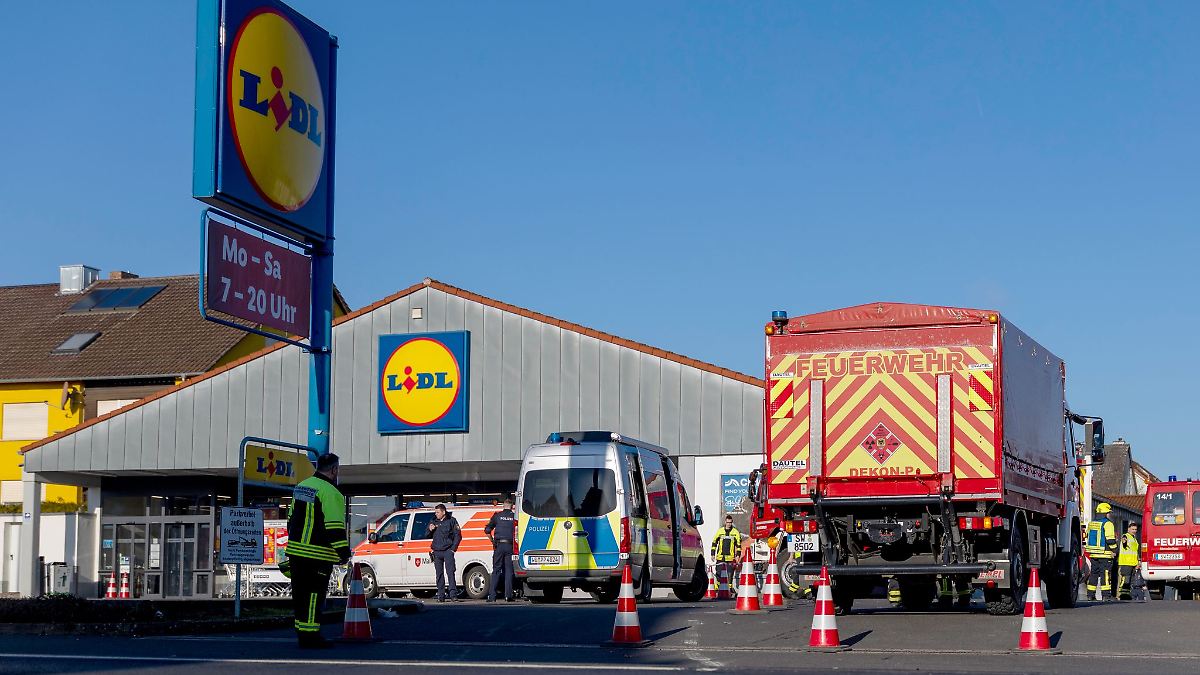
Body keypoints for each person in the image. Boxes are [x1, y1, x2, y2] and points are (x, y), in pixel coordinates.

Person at [279, 453, 349, 649]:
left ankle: (302, 634)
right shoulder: (331, 492)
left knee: (300, 596)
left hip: (296, 551)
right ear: (334, 470)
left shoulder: (302, 486)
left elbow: (291, 519)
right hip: (317, 554)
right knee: (313, 597)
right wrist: (343, 553)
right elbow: (334, 527)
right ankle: (311, 636)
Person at [485, 496, 517, 602]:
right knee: (509, 571)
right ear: (512, 507)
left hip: (499, 545)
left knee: (496, 570)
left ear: (503, 506)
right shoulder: (515, 517)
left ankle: (492, 596)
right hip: (510, 546)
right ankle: (508, 596)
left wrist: (492, 541)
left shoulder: (497, 516)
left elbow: (487, 530)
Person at [428, 503, 463, 602]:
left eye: (438, 512)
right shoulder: (433, 521)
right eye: (435, 512)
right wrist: (430, 529)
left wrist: (453, 549)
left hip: (448, 550)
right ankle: (441, 595)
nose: (436, 514)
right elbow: (426, 534)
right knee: (439, 574)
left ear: (443, 512)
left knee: (450, 573)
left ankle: (453, 595)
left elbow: (458, 535)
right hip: (437, 551)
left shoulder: (451, 521)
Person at [1084, 502, 1118, 601]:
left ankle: (1090, 595)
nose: (1109, 514)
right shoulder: (1108, 524)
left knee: (1094, 574)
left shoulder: (1092, 523)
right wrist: (1115, 549)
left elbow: (1087, 536)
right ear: (1105, 513)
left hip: (1094, 554)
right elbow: (1110, 540)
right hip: (1105, 554)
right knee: (1105, 575)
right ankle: (1106, 595)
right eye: (1108, 512)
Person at [710, 515, 742, 590]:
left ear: (732, 522)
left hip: (730, 558)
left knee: (730, 574)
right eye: (727, 522)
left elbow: (738, 546)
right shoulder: (720, 531)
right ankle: (717, 588)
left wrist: (738, 555)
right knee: (718, 573)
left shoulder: (735, 532)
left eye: (730, 522)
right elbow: (714, 543)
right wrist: (712, 554)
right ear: (725, 522)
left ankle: (729, 588)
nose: (729, 524)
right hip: (720, 557)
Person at [1117, 523, 1141, 601]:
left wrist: (1138, 562)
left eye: (1135, 529)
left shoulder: (1134, 539)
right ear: (1128, 529)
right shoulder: (1125, 536)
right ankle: (1122, 595)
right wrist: (1124, 542)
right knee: (1125, 580)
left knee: (1130, 581)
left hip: (1133, 563)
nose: (1134, 531)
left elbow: (1135, 551)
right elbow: (1124, 543)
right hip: (1126, 562)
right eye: (1133, 529)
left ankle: (1127, 595)